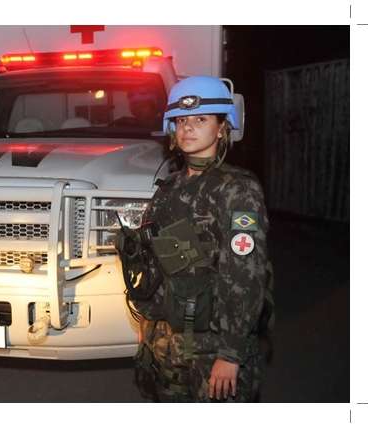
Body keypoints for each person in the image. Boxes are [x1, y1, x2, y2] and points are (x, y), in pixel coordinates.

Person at [117, 76, 274, 402]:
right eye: (181, 121)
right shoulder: (168, 188)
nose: (187, 128)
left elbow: (245, 274)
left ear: (221, 128)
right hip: (166, 340)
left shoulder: (237, 189)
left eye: (200, 120)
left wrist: (230, 354)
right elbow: (154, 265)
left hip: (212, 345)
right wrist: (147, 329)